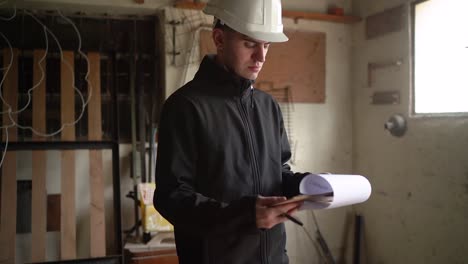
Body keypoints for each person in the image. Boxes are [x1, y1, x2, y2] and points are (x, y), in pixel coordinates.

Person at [154, 0, 310, 263]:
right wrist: (245, 214)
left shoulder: (267, 106)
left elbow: (277, 173)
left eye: (267, 45)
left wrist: (309, 186)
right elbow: (171, 197)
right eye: (250, 43)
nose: (261, 57)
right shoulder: (185, 106)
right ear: (219, 38)